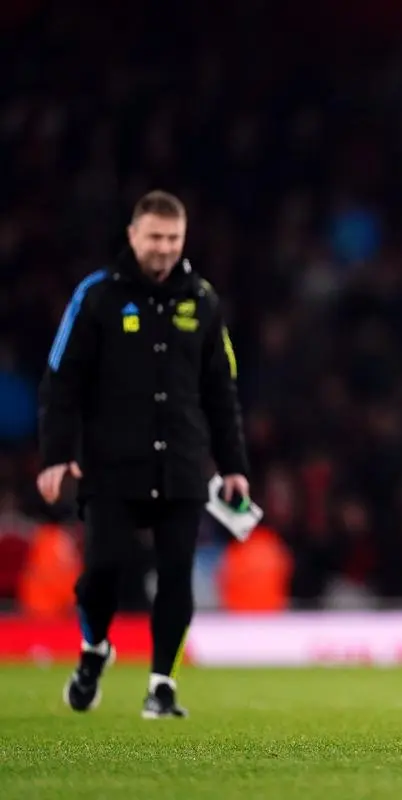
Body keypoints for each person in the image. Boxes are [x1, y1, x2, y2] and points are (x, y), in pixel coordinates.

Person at [37, 190, 250, 719]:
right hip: (110, 465)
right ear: (133, 236)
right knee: (104, 570)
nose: (164, 248)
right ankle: (94, 650)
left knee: (176, 574)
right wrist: (55, 456)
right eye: (154, 237)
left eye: (173, 238)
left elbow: (221, 393)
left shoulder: (202, 300)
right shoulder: (98, 296)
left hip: (180, 462)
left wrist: (234, 468)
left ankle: (162, 685)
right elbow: (62, 382)